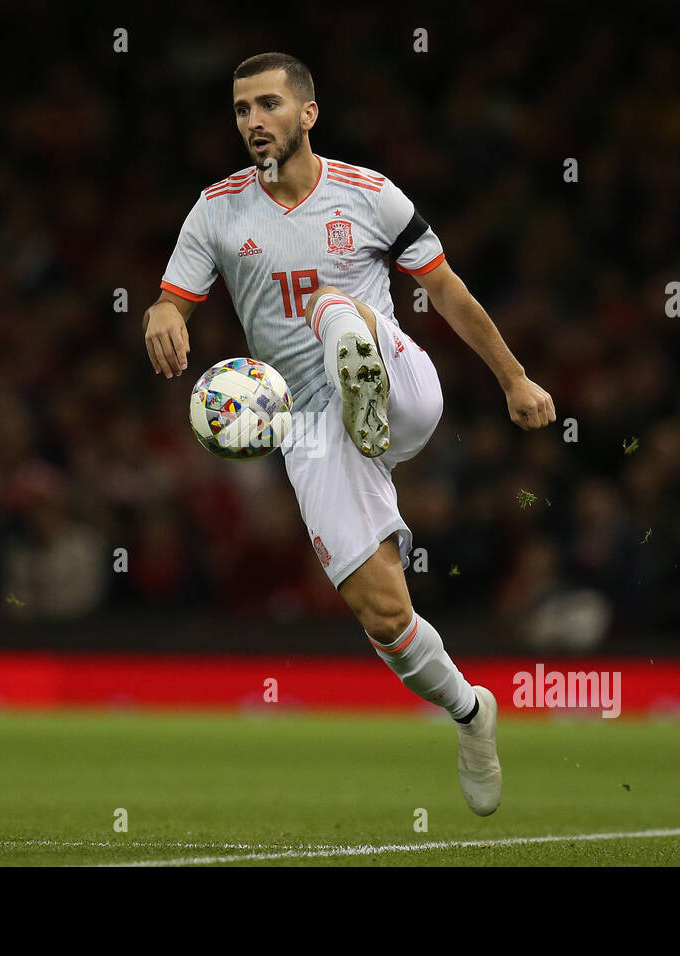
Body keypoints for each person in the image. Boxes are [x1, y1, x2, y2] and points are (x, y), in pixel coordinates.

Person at [144, 52, 556, 815]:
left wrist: (514, 377)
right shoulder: (218, 210)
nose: (252, 122)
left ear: (307, 114)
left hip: (399, 384)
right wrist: (163, 316)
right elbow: (171, 301)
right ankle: (470, 711)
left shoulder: (371, 196)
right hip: (309, 429)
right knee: (385, 616)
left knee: (335, 309)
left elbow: (448, 292)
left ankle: (356, 366)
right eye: (240, 110)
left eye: (267, 105)